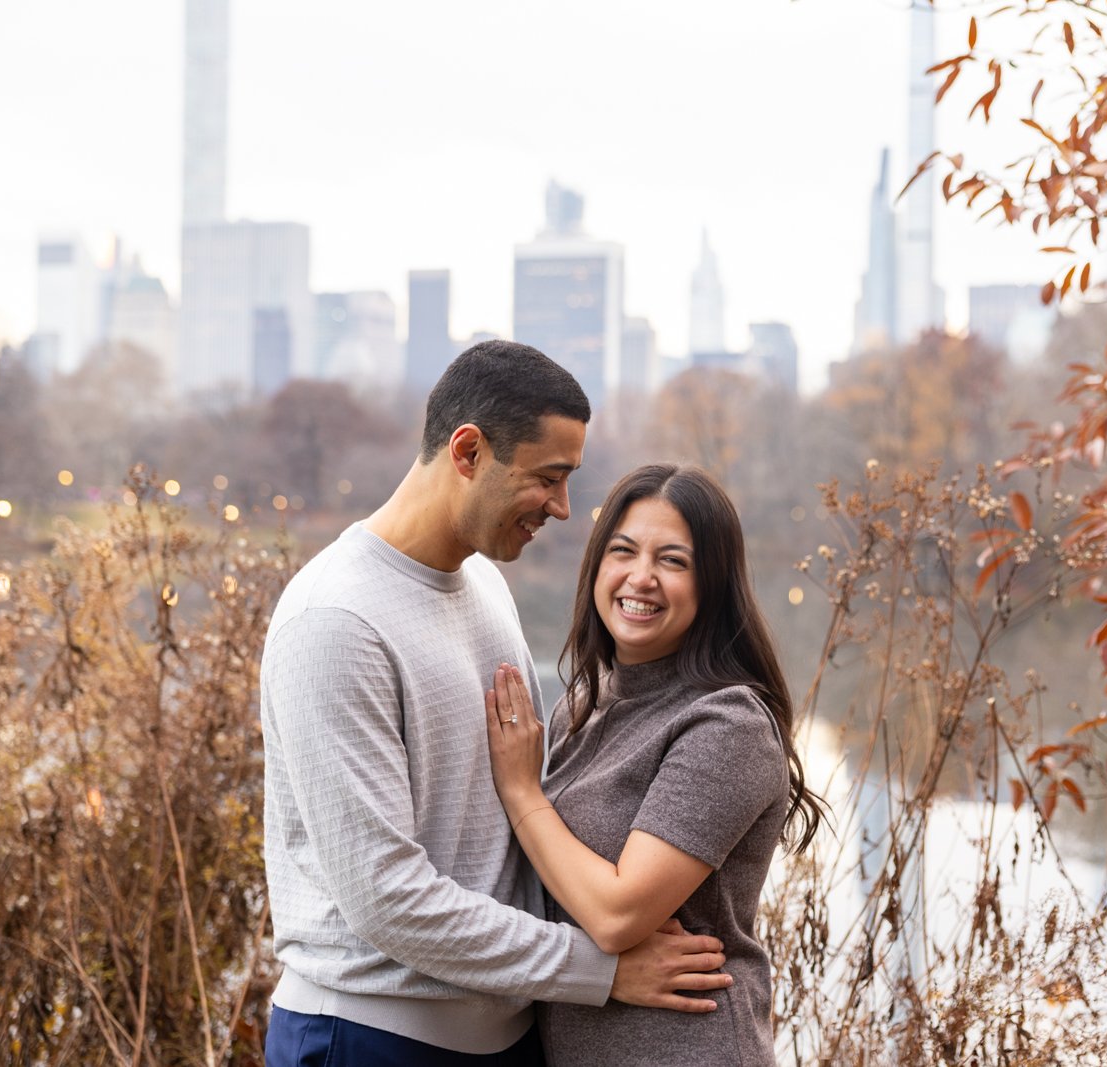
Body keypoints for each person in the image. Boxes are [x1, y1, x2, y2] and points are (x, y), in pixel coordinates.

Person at [259, 343, 734, 1067]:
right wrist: (598, 970)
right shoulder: (335, 619)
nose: (564, 507)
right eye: (549, 477)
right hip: (370, 1039)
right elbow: (387, 896)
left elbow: (509, 830)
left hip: (506, 1038)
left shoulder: (484, 589)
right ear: (469, 451)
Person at [484, 464, 826, 1067]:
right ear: (596, 564)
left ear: (713, 585)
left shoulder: (728, 724)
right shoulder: (584, 704)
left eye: (673, 561)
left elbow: (617, 915)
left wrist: (521, 790)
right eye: (623, 551)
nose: (640, 578)